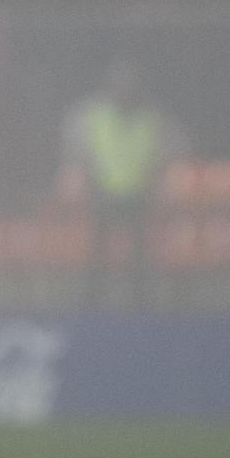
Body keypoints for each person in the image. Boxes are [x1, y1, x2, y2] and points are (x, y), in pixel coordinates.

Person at [60, 57, 189, 310]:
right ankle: (92, 311)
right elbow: (72, 147)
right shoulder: (91, 115)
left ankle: (139, 311)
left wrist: (158, 176)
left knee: (139, 263)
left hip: (140, 197)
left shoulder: (153, 118)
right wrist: (87, 178)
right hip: (101, 197)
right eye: (120, 82)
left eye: (130, 83)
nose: (125, 88)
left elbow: (177, 147)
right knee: (96, 262)